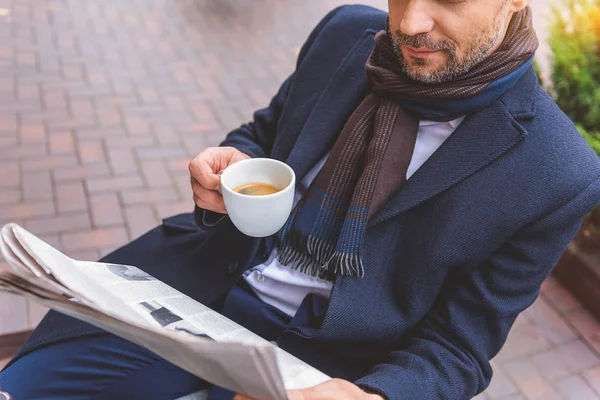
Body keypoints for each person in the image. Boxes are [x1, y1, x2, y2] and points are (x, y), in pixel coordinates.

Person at [2, 1, 600, 399]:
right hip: (194, 294)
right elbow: (266, 133)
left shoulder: (558, 173)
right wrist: (229, 163)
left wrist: (375, 396)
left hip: (327, 371)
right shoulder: (345, 35)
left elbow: (459, 349)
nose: (411, 23)